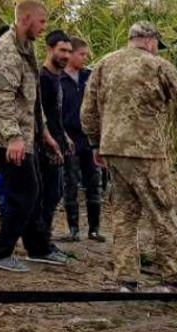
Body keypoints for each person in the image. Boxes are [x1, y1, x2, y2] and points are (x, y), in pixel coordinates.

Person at [82, 22, 177, 293]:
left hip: (113, 151)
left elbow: (88, 109)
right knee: (162, 214)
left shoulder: (104, 64)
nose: (157, 51)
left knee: (124, 217)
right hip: (147, 153)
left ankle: (126, 281)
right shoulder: (158, 66)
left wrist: (94, 144)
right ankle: (173, 281)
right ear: (150, 41)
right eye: (157, 46)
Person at [0, 1, 54, 272]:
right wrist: (13, 137)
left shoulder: (25, 46)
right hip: (7, 136)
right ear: (26, 19)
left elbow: (30, 98)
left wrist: (42, 131)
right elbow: (1, 97)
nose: (44, 28)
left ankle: (38, 248)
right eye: (42, 22)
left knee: (34, 190)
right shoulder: (8, 50)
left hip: (24, 132)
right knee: (24, 193)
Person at [60, 36, 104, 243]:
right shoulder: (58, 78)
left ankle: (94, 229)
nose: (85, 58)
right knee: (70, 182)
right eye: (82, 54)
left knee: (94, 183)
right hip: (69, 138)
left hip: (90, 138)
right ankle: (73, 229)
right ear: (71, 54)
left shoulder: (90, 76)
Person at [32, 30, 70, 258]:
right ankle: (40, 246)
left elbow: (55, 114)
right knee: (46, 196)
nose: (65, 55)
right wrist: (49, 142)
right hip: (44, 146)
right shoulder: (43, 78)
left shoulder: (56, 77)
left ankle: (44, 242)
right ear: (50, 49)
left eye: (68, 51)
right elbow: (39, 114)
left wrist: (65, 137)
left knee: (54, 194)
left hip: (57, 142)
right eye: (62, 51)